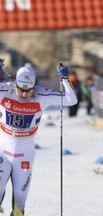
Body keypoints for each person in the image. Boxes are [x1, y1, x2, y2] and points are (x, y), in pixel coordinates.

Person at [0, 62, 77, 215]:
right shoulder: (5, 90)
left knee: (19, 206)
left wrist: (65, 80)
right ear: (15, 84)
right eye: (21, 89)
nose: (23, 94)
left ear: (33, 87)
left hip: (24, 156)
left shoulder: (41, 96)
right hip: (2, 152)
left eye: (28, 91)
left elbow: (71, 100)